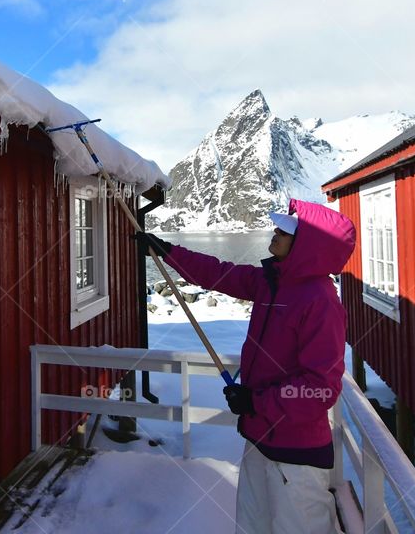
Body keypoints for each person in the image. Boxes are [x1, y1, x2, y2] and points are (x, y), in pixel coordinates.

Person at [135, 199, 356, 534]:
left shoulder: (320, 301)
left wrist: (257, 402)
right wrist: (168, 251)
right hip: (258, 438)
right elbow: (219, 273)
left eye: (284, 231)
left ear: (306, 246)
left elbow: (321, 386)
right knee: (252, 527)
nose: (275, 233)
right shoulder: (271, 282)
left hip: (295, 453)